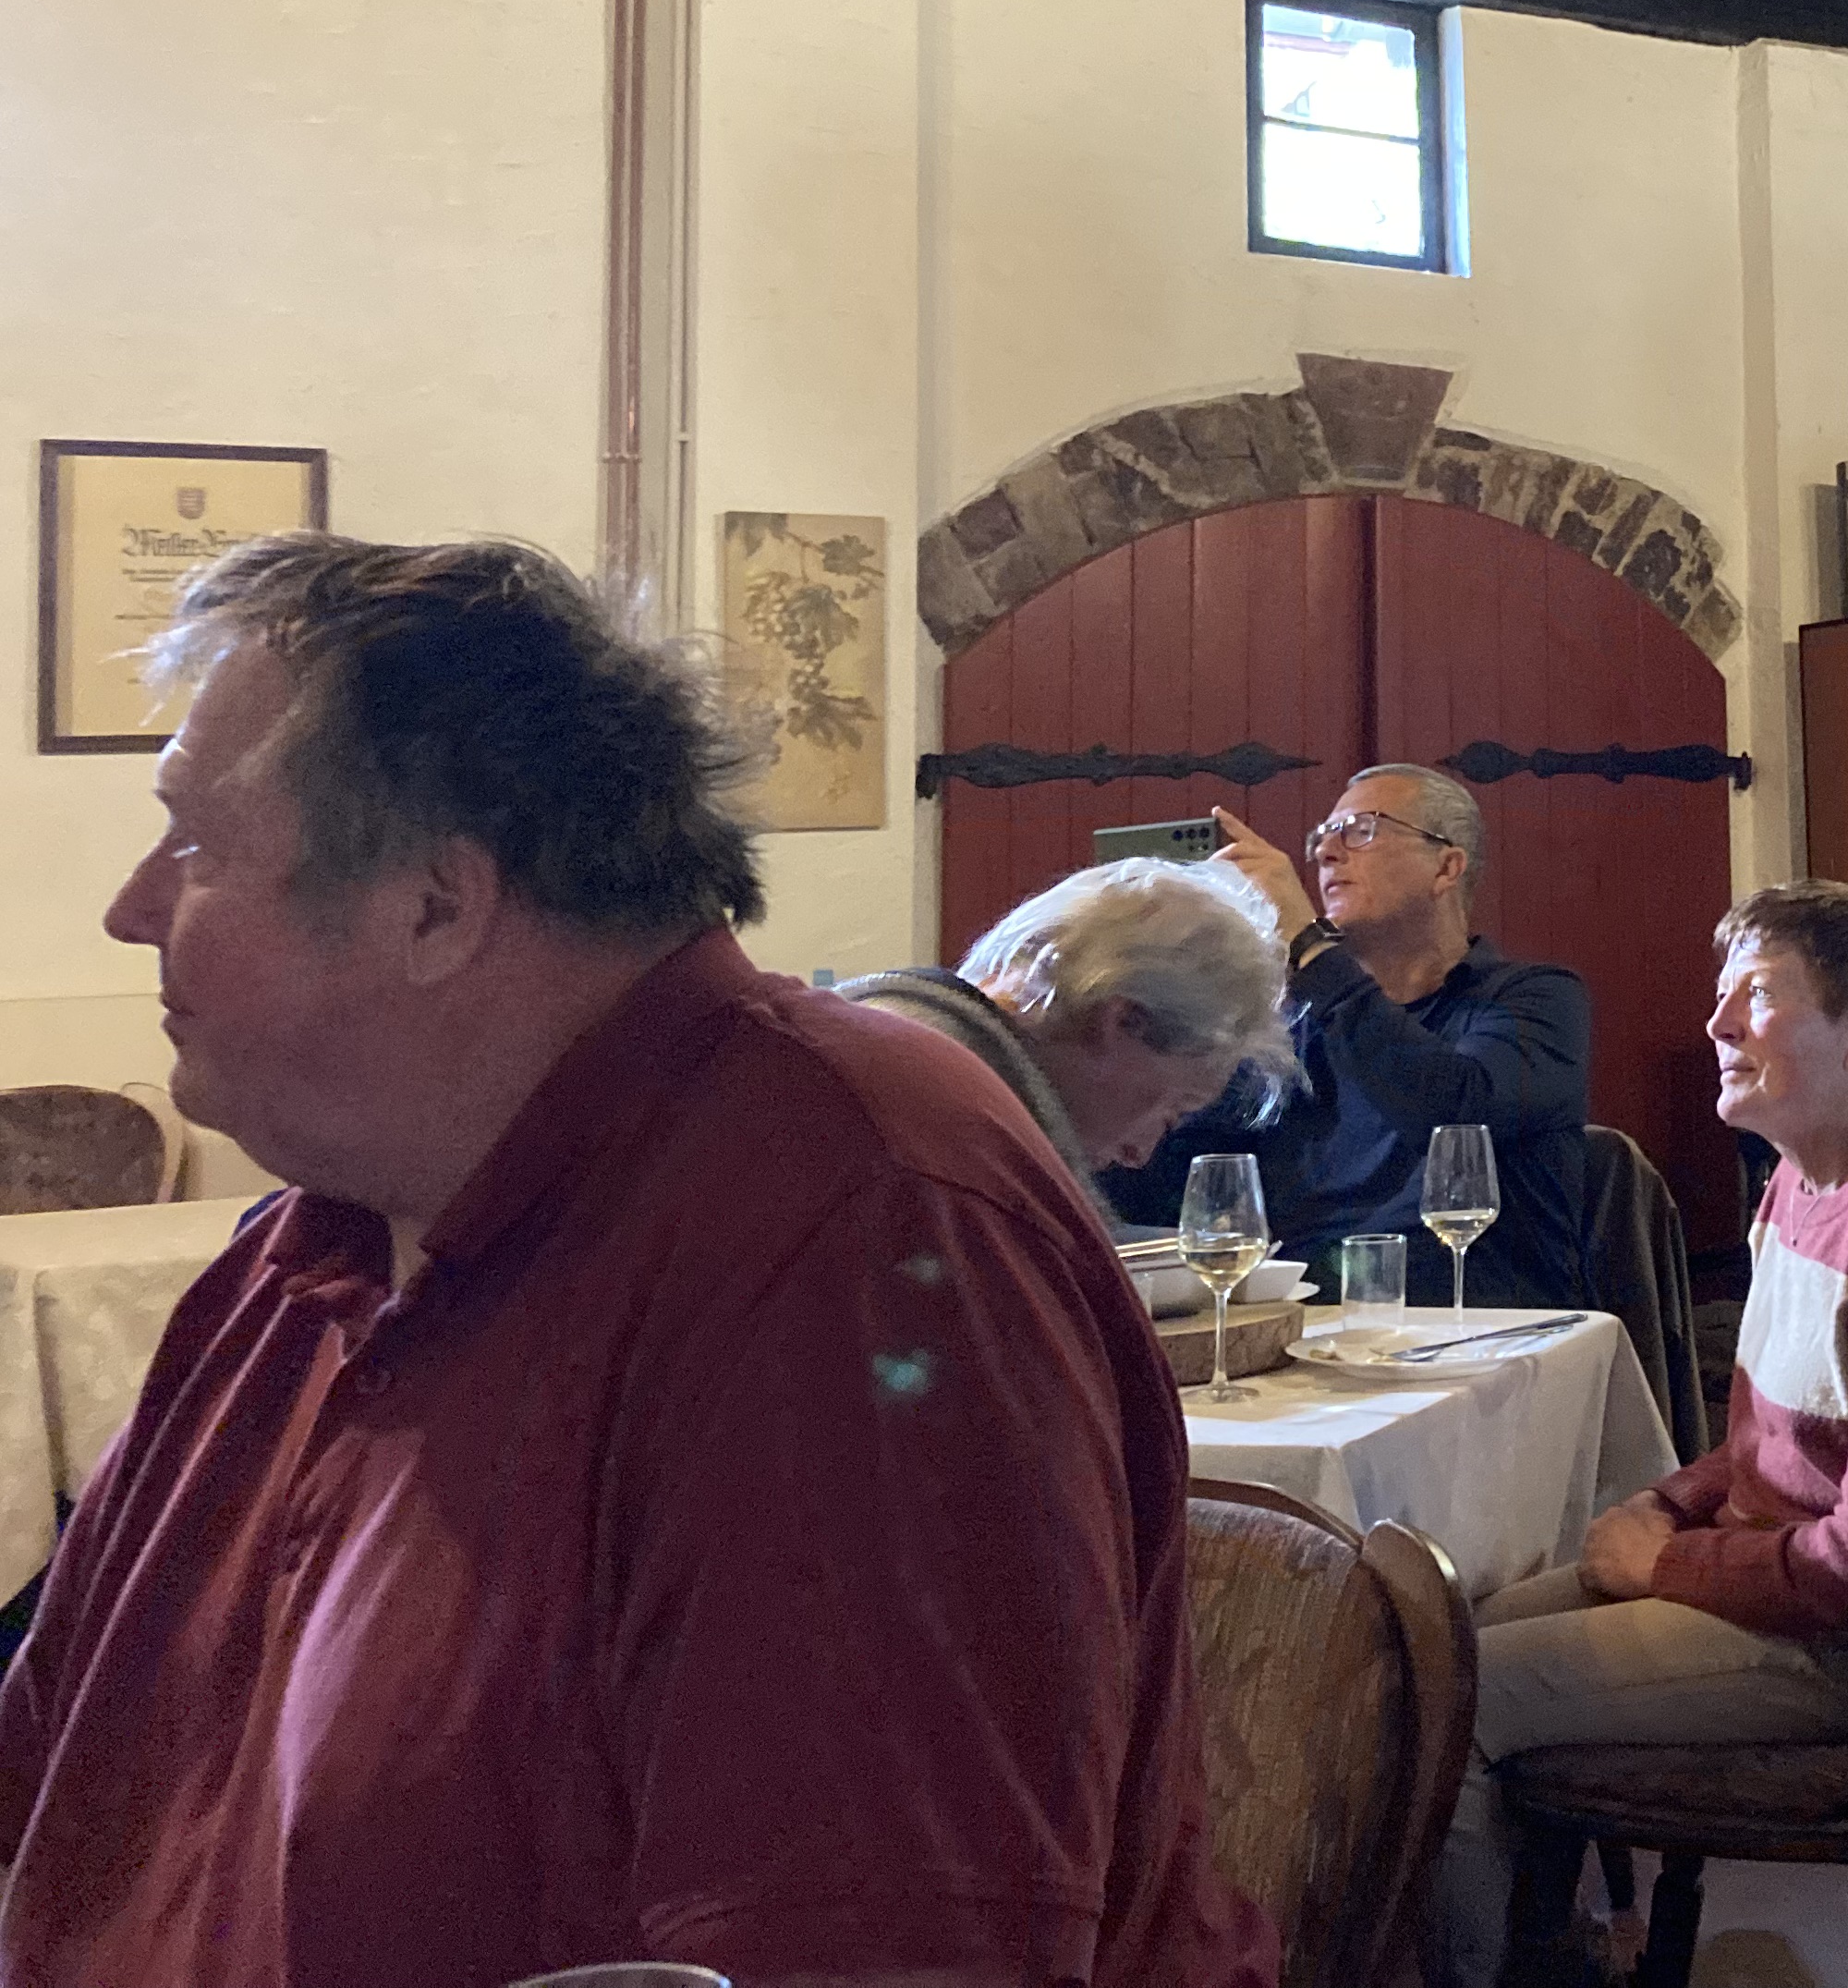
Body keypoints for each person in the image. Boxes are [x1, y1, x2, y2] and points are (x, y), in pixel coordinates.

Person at [1, 536, 1266, 1988]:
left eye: (197, 847)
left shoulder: (850, 1243)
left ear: (435, 904)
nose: (133, 908)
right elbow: (49, 1778)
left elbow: (891, 1957)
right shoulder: (315, 1243)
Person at [1439, 879, 1848, 1988]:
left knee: (1452, 1701)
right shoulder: (1794, 1183)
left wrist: (1663, 1563)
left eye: (1755, 996)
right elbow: (1777, 1442)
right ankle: (1544, 1950)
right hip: (1766, 1583)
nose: (1715, 1024)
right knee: (1439, 1638)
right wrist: (1669, 1502)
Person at [1108, 765, 1590, 1306]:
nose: (1324, 853)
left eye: (1361, 830)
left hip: (1476, 1325)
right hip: (1302, 1318)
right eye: (1322, 836)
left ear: (1446, 867)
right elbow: (1182, 1168)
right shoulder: (1294, 1025)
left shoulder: (1536, 999)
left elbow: (1451, 1115)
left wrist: (1306, 942)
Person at [842, 855, 1296, 1195]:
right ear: (1122, 1022)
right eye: (1171, 1111)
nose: (1138, 1155)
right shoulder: (967, 1140)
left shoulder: (878, 1026)